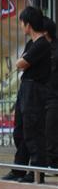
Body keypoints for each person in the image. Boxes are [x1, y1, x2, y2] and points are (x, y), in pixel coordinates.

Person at [2, 7, 50, 183]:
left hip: (36, 90)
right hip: (26, 88)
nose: (21, 26)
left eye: (22, 23)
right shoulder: (31, 44)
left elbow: (21, 63)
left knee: (33, 130)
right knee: (20, 130)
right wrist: (22, 62)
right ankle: (19, 169)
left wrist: (22, 62)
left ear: (28, 24)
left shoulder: (42, 44)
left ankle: (37, 171)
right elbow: (22, 62)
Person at [43, 17, 58, 170]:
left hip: (53, 95)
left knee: (51, 131)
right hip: (44, 95)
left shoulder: (54, 50)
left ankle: (53, 164)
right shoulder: (42, 48)